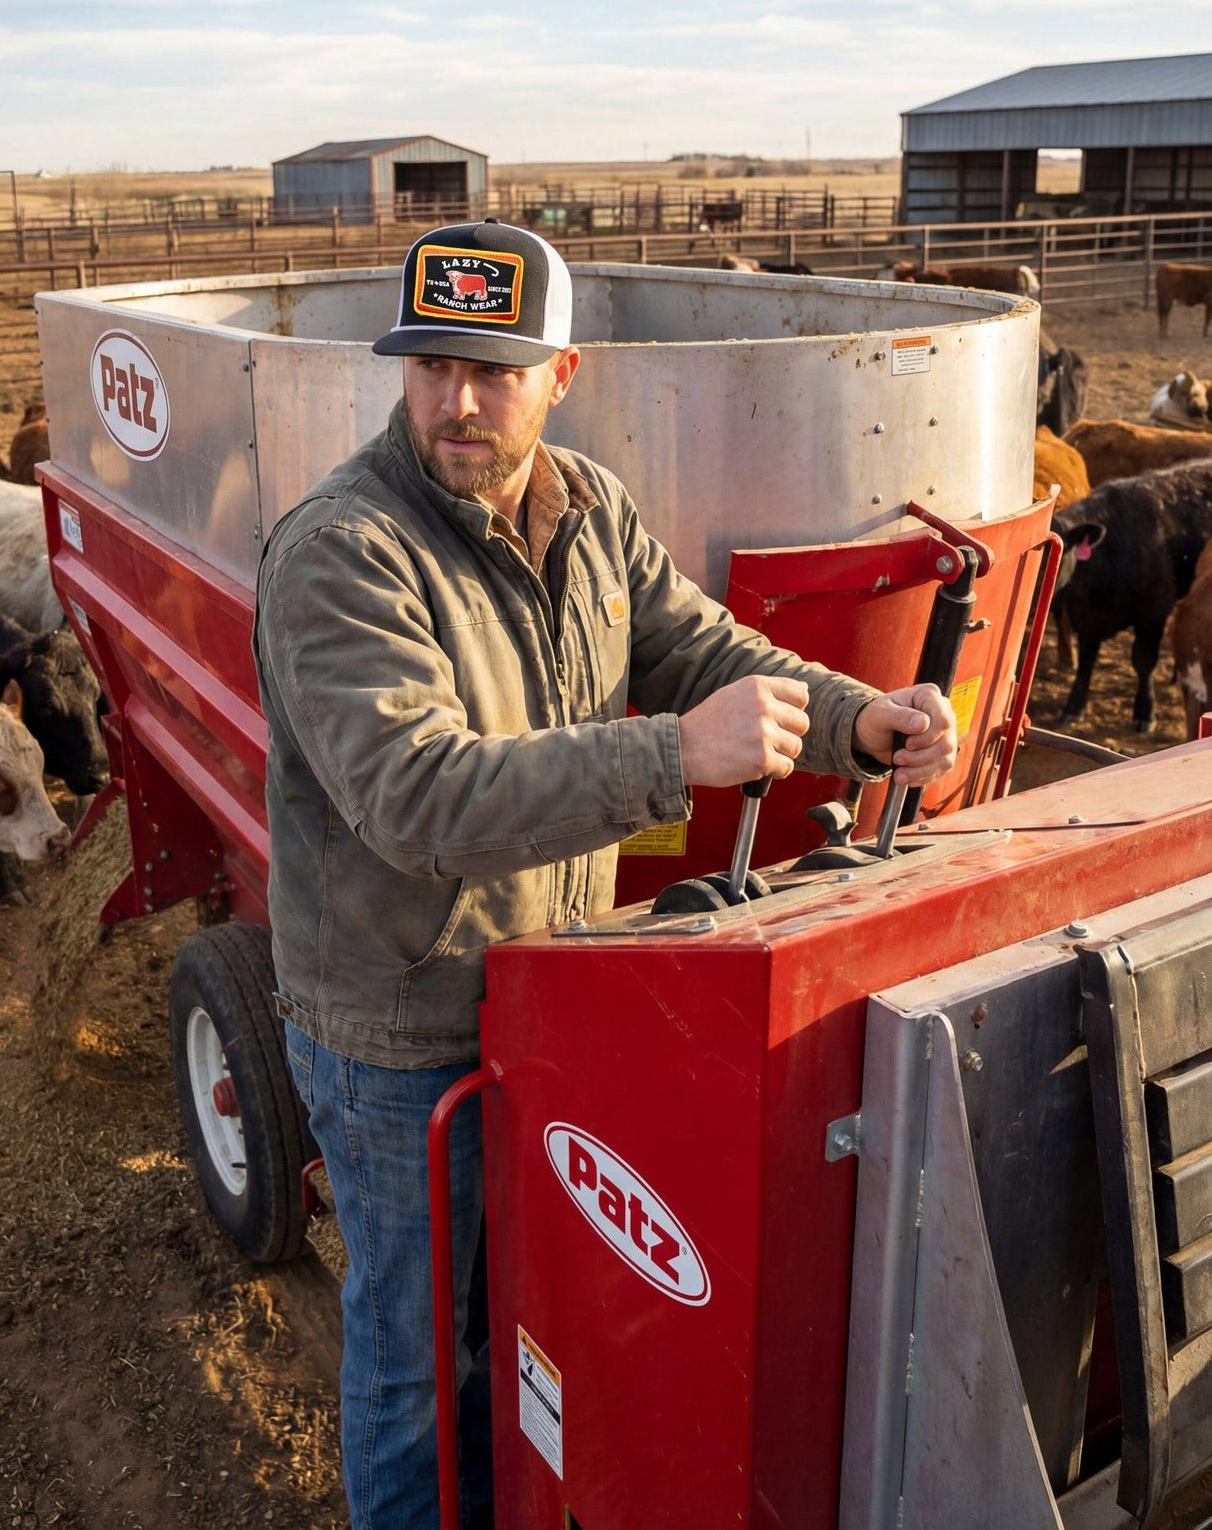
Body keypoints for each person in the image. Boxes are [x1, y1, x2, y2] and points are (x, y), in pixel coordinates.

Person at [251, 220, 957, 1528]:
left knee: (523, 1322)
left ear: (559, 375)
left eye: (494, 370)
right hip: (400, 1030)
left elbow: (699, 647)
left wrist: (862, 717)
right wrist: (672, 755)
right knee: (414, 1362)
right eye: (429, 367)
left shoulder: (589, 508)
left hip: (556, 998)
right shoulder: (344, 552)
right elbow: (417, 796)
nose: (456, 401)